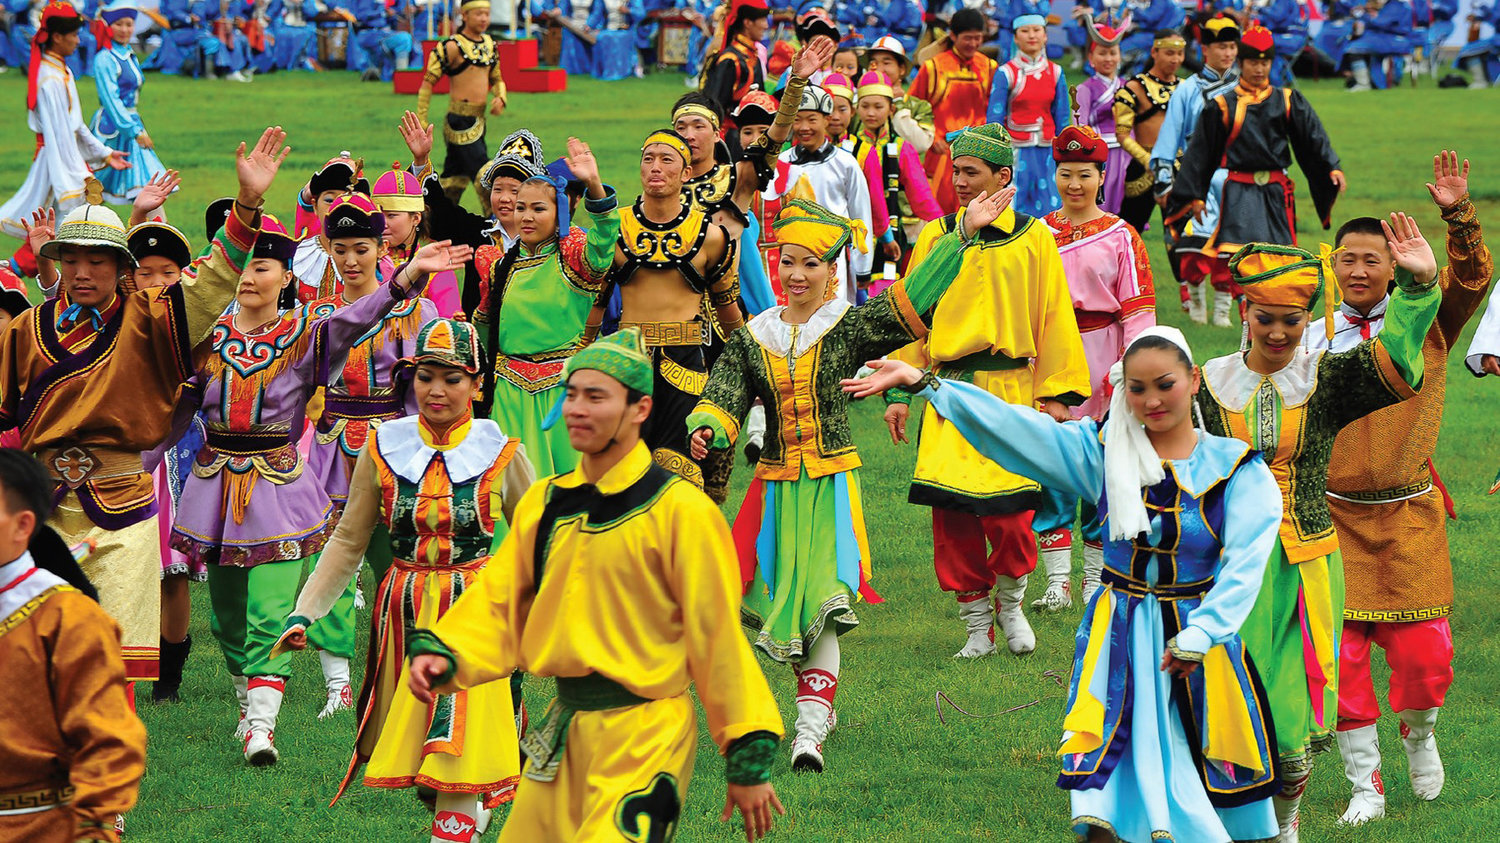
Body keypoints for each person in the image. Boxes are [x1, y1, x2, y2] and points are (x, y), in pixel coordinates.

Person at [846, 325, 1282, 843]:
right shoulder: (1103, 453)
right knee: (1102, 794)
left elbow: (1244, 566)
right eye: (1137, 388)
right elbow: (1015, 428)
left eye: (1165, 384)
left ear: (1193, 380)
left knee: (1200, 772)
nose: (1152, 400)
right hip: (1117, 638)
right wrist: (927, 385)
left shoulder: (1236, 469)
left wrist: (1203, 632)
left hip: (1196, 642)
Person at [405, 328, 786, 843]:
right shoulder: (545, 502)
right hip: (564, 728)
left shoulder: (682, 512)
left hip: (646, 735)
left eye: (596, 397)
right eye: (572, 394)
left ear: (640, 408)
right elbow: (501, 600)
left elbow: (716, 634)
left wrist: (746, 746)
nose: (577, 409)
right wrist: (448, 653)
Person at [687, 184, 1011, 773]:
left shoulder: (845, 328)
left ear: (832, 271)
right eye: (788, 261)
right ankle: (818, 705)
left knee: (824, 601)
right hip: (774, 491)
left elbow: (907, 303)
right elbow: (725, 391)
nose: (796, 275)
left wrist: (960, 235)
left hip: (830, 488)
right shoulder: (753, 337)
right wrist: (708, 426)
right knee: (788, 609)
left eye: (811, 264)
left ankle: (808, 732)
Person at [0, 126, 284, 692]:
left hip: (123, 506)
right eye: (70, 260)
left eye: (97, 261)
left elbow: (209, 285)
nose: (82, 272)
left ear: (121, 266)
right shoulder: (25, 329)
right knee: (38, 662)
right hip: (42, 510)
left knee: (114, 666)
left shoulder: (151, 319)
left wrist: (247, 202)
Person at [173, 217, 458, 765]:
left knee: (271, 610)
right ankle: (246, 708)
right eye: (242, 266)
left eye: (262, 267)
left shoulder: (305, 332)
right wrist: (134, 465)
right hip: (215, 487)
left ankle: (263, 728)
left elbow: (356, 318)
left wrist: (405, 279)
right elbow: (169, 406)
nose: (248, 277)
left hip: (279, 487)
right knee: (225, 617)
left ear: (286, 276)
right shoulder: (206, 339)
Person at [1194, 229, 1441, 841]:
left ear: (1309, 320)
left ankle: (1286, 823)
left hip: (1304, 565)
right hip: (1224, 566)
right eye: (1266, 319)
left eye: (1292, 321)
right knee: (1223, 701)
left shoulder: (1322, 379)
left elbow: (1394, 362)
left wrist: (1416, 290)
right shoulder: (1205, 383)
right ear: (1244, 313)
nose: (1278, 333)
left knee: (1290, 711)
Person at [276, 319, 536, 840]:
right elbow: (348, 539)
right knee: (428, 756)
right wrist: (306, 612)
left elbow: (541, 539)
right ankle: (466, 812)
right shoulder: (383, 448)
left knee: (456, 747)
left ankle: (457, 820)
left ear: (477, 384)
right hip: (404, 615)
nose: (437, 390)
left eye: (452, 378)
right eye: (425, 377)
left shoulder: (501, 452)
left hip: (475, 614)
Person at [1305, 152, 1491, 826]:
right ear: (1333, 265)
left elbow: (1472, 280)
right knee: (1339, 660)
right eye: (1347, 259)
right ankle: (1366, 785)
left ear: (1393, 266)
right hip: (1331, 517)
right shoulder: (1310, 338)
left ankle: (1420, 731)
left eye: (1372, 259)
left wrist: (1458, 218)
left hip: (1409, 511)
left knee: (1425, 657)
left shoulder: (1429, 320)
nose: (1358, 270)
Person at [882, 123, 1090, 659]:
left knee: (1012, 514)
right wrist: (899, 393)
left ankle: (1012, 603)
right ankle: (976, 625)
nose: (959, 181)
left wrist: (1056, 395)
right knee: (952, 516)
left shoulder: (1034, 238)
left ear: (1002, 176)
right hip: (946, 389)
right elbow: (911, 314)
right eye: (956, 171)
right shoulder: (936, 237)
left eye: (971, 172)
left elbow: (1054, 316)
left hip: (1009, 390)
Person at [303, 193, 442, 718]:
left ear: (382, 247)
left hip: (393, 447)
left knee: (399, 562)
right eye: (340, 249)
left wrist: (421, 454)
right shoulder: (315, 314)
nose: (351, 260)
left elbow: (425, 392)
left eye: (361, 248)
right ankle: (337, 681)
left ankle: (409, 664)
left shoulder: (416, 312)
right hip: (330, 448)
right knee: (331, 558)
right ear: (327, 249)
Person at [1031, 125, 1155, 611]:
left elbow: (1138, 312)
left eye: (1085, 174)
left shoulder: (1122, 236)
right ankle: (1057, 581)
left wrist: (1129, 371)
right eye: (1066, 174)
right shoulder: (1037, 234)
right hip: (1051, 357)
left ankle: (1095, 579)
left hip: (1106, 356)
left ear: (1102, 177)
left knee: (1104, 468)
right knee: (1054, 466)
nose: (1075, 184)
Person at [0, 449, 148, 843]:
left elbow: (109, 741)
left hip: (41, 825)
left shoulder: (68, 619)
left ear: (22, 525)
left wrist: (90, 825)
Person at [582, 129, 741, 491]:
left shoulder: (711, 236)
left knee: (680, 474)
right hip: (626, 363)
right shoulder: (617, 229)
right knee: (620, 472)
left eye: (666, 159)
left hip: (686, 366)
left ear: (686, 173)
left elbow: (728, 311)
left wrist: (749, 364)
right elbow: (596, 304)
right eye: (648, 158)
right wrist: (577, 357)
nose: (655, 167)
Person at [476, 138, 619, 478]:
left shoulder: (573, 258)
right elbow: (484, 330)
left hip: (563, 391)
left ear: (560, 214)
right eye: (521, 208)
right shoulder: (497, 265)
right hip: (508, 391)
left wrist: (594, 184)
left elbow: (604, 241)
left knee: (569, 486)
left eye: (539, 209)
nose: (526, 217)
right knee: (511, 485)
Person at [1172, 26, 1346, 269]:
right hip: (1239, 191)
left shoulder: (1287, 100)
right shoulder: (1222, 105)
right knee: (1238, 260)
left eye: (1265, 63)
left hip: (1276, 192)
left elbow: (1312, 138)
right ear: (1241, 63)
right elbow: (1202, 153)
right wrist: (1195, 195)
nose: (1259, 69)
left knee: (1281, 262)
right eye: (1253, 62)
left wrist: (1331, 166)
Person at [0, 2, 128, 242]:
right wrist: (77, 175)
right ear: (58, 37)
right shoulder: (50, 79)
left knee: (52, 230)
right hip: (56, 160)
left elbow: (75, 126)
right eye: (74, 35)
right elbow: (59, 135)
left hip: (62, 157)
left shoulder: (61, 70)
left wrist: (105, 153)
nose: (78, 41)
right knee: (61, 229)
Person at [403, 117, 548, 318]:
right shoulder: (477, 234)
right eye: (498, 189)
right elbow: (441, 215)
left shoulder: (548, 241)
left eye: (514, 191)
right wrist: (421, 160)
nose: (504, 198)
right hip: (480, 336)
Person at [1150, 14, 1239, 326]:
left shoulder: (1246, 89)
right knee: (1194, 247)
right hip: (1197, 178)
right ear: (1205, 50)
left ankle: (1224, 311)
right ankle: (1197, 303)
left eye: (1232, 47)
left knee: (1230, 247)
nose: (1227, 53)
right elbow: (1169, 136)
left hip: (1236, 177)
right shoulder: (1187, 90)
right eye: (1221, 47)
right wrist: (1164, 180)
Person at [766, 83, 879, 303]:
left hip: (832, 255)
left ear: (826, 120)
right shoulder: (782, 162)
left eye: (812, 119)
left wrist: (863, 268)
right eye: (797, 120)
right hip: (793, 256)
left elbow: (861, 215)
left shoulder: (845, 163)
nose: (804, 127)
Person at [415, 0, 507, 210]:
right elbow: (427, 83)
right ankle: (497, 224)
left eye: (487, 14)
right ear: (464, 16)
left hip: (479, 121)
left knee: (453, 179)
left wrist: (500, 97)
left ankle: (436, 220)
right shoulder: (452, 46)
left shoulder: (490, 45)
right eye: (478, 14)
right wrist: (421, 118)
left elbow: (497, 78)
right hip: (459, 122)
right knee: (486, 177)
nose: (484, 19)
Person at [852, 68, 944, 265]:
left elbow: (921, 195)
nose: (871, 113)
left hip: (892, 230)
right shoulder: (849, 145)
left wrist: (943, 228)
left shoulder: (901, 148)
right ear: (856, 109)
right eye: (865, 106)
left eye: (878, 106)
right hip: (853, 230)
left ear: (891, 109)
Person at [909, 8, 996, 213]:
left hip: (979, 151)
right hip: (942, 153)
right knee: (940, 214)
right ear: (953, 36)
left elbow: (996, 110)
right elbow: (911, 108)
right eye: (967, 38)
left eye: (977, 38)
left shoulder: (989, 67)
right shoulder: (933, 67)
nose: (973, 43)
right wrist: (931, 138)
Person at [987, 13, 1070, 219]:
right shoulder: (1006, 73)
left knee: (1051, 198)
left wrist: (1064, 148)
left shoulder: (1056, 72)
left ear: (1045, 36)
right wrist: (997, 151)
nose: (1031, 36)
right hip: (1015, 149)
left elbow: (1062, 114)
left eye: (1037, 30)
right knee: (1015, 198)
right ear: (1015, 38)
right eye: (1025, 31)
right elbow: (995, 117)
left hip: (1047, 148)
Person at [90, 1, 167, 205]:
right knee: (92, 189)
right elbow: (111, 100)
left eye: (129, 24)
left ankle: (153, 225)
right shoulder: (105, 58)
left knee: (147, 186)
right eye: (119, 24)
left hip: (132, 123)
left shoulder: (129, 55)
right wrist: (134, 130)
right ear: (109, 26)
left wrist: (135, 128)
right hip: (111, 127)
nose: (124, 30)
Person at [1112, 29, 1184, 240]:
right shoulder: (1134, 88)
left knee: (1181, 232)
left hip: (1178, 166)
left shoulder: (1186, 88)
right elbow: (1122, 134)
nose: (1175, 59)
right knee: (1129, 232)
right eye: (1169, 53)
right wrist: (1147, 160)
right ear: (1154, 52)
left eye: (1179, 54)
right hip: (1143, 168)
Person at [372, 164, 461, 318]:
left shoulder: (435, 267)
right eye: (379, 215)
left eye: (391, 215)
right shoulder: (365, 260)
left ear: (415, 218)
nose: (383, 223)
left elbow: (448, 322)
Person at [289, 153, 370, 301]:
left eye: (346, 199)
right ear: (314, 206)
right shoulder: (297, 255)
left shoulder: (375, 259)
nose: (336, 207)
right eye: (329, 200)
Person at [1071, 17, 1128, 214]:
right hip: (1100, 154)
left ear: (1120, 56)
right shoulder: (1085, 89)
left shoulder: (1128, 86)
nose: (1108, 58)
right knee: (1101, 202)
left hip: (1127, 152)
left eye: (1113, 53)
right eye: (1102, 53)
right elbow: (1080, 127)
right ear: (1091, 58)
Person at [865, 35, 935, 157]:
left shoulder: (919, 106)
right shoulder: (859, 103)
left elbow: (920, 145)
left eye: (886, 63)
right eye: (873, 63)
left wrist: (898, 104)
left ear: (901, 69)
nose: (879, 69)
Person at [702, 0, 769, 112]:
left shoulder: (752, 56)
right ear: (747, 23)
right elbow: (717, 106)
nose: (766, 25)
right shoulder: (730, 60)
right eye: (762, 20)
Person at [1344, 0, 1414, 90]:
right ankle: (1378, 83)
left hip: (1395, 41)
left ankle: (1363, 84)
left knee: (1353, 49)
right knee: (1367, 51)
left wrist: (1362, 15)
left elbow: (1380, 23)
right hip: (1391, 39)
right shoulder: (1396, 4)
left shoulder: (1395, 5)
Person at [347, 0, 414, 82]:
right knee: (404, 38)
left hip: (382, 33)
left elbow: (390, 20)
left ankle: (398, 74)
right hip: (368, 34)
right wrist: (382, 13)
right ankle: (401, 76)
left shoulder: (382, 2)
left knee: (406, 38)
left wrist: (394, 15)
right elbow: (360, 16)